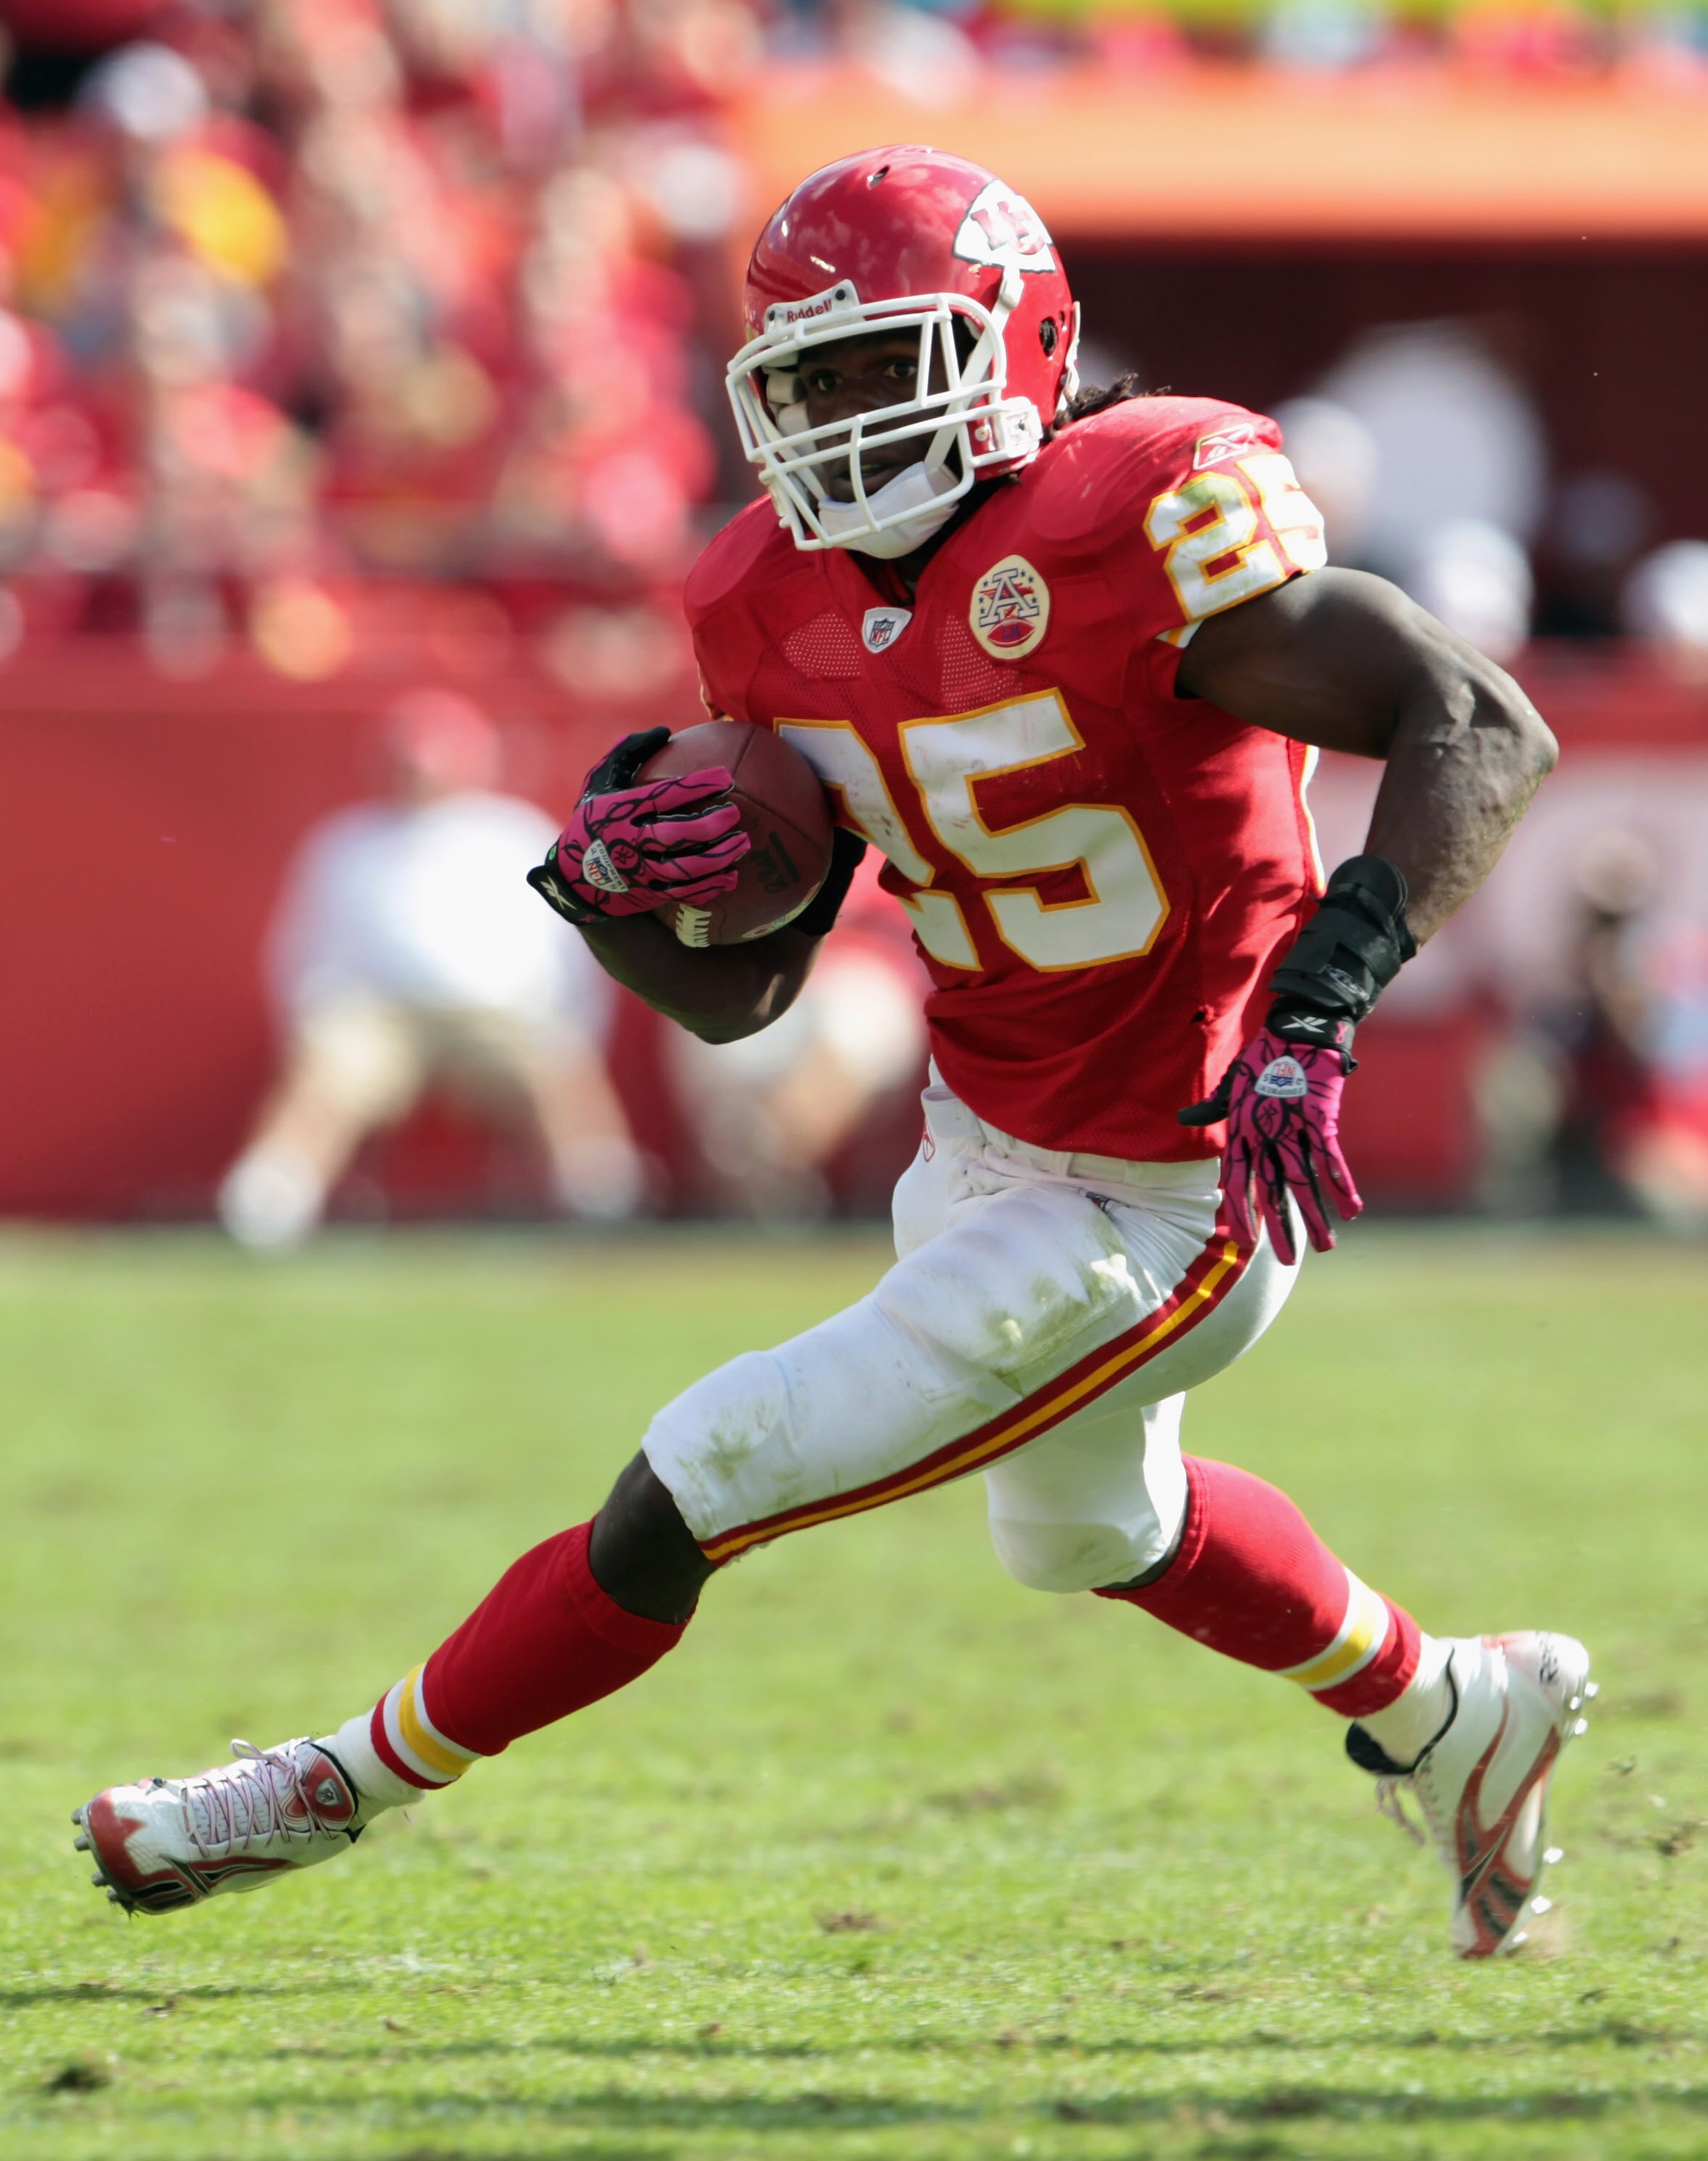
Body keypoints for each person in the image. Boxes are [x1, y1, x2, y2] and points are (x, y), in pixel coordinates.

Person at [78, 149, 1590, 1960]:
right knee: (1089, 1529)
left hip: (1173, 1179)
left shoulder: (1142, 513)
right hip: (977, 1141)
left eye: (892, 362)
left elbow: (1474, 719)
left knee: (709, 1464)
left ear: (1022, 345)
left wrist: (1320, 1001)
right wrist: (607, 898)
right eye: (812, 378)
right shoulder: (763, 603)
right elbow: (744, 1003)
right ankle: (1449, 1709)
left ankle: (322, 1785)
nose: (851, 415)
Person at [217, 687, 643, 1246]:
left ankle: (603, 1199)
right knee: (328, 1075)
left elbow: (575, 949)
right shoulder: (346, 841)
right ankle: (268, 1206)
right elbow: (304, 950)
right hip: (380, 1018)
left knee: (558, 1069)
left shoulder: (516, 833)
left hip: (499, 1020)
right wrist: (313, 1027)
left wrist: (573, 1034)